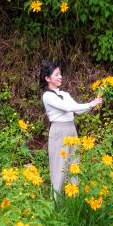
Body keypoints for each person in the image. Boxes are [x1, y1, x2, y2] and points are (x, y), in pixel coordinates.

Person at [40, 60, 102, 196]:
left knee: (74, 164)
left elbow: (78, 111)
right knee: (59, 166)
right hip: (59, 131)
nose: (60, 76)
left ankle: (73, 199)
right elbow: (68, 108)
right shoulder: (47, 96)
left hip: (71, 129)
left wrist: (93, 104)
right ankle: (56, 203)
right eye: (56, 74)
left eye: (60, 73)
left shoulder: (65, 94)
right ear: (47, 78)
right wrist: (90, 104)